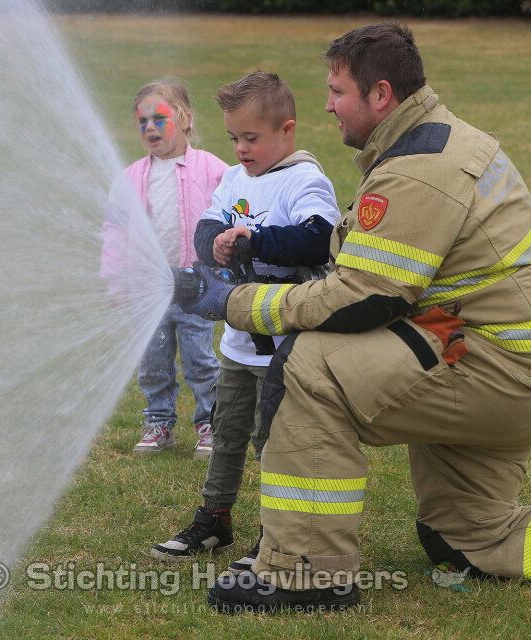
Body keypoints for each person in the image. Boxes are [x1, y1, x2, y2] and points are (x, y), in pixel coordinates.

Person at [174, 23, 531, 613]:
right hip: (502, 360)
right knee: (467, 536)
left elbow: (362, 297)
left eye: (337, 91)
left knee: (307, 367)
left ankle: (305, 573)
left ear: (381, 96)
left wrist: (231, 304)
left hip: (486, 363)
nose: (326, 104)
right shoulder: (434, 141)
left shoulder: (420, 166)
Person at [151, 72, 341, 565]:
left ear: (287, 131)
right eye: (234, 138)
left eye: (251, 138)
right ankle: (214, 519)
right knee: (227, 432)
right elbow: (210, 225)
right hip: (237, 346)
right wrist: (213, 240)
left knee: (273, 444)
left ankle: (273, 535)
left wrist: (256, 241)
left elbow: (321, 237)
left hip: (287, 350)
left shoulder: (305, 179)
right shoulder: (235, 180)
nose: (240, 149)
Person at [101, 79, 227, 457]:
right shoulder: (130, 178)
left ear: (186, 119)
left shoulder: (214, 170)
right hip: (148, 290)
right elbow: (116, 231)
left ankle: (210, 423)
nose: (150, 127)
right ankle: (159, 422)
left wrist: (224, 272)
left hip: (196, 290)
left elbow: (233, 214)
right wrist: (117, 284)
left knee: (200, 361)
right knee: (153, 362)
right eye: (143, 122)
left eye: (159, 118)